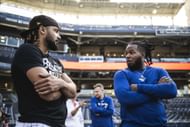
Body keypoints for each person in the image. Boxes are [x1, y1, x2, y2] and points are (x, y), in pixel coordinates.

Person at [11, 15, 77, 127]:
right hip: (36, 122)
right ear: (42, 30)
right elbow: (49, 95)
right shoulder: (27, 50)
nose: (59, 36)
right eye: (56, 31)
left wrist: (60, 84)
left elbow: (73, 92)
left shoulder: (56, 61)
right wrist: (66, 88)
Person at [113, 41, 177, 127]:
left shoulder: (159, 71)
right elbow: (126, 98)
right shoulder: (121, 74)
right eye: (126, 53)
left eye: (132, 52)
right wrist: (157, 90)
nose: (127, 56)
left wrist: (139, 87)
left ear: (143, 54)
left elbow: (172, 91)